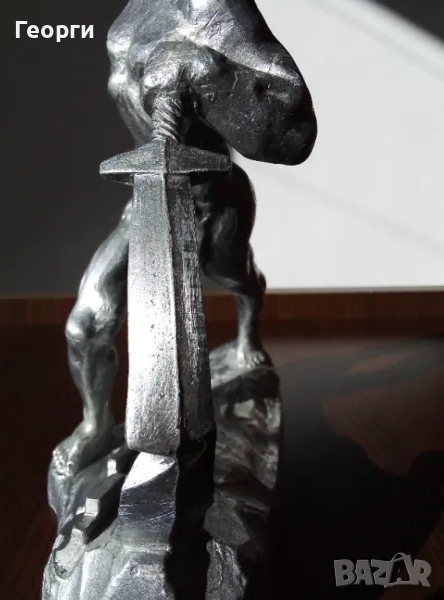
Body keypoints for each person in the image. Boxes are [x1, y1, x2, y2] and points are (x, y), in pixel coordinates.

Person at [53, 0, 317, 476]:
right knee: (85, 326)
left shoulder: (218, 10)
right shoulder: (131, 16)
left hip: (213, 200)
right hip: (147, 200)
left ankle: (247, 325)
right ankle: (95, 424)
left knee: (233, 275)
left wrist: (205, 71)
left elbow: (292, 134)